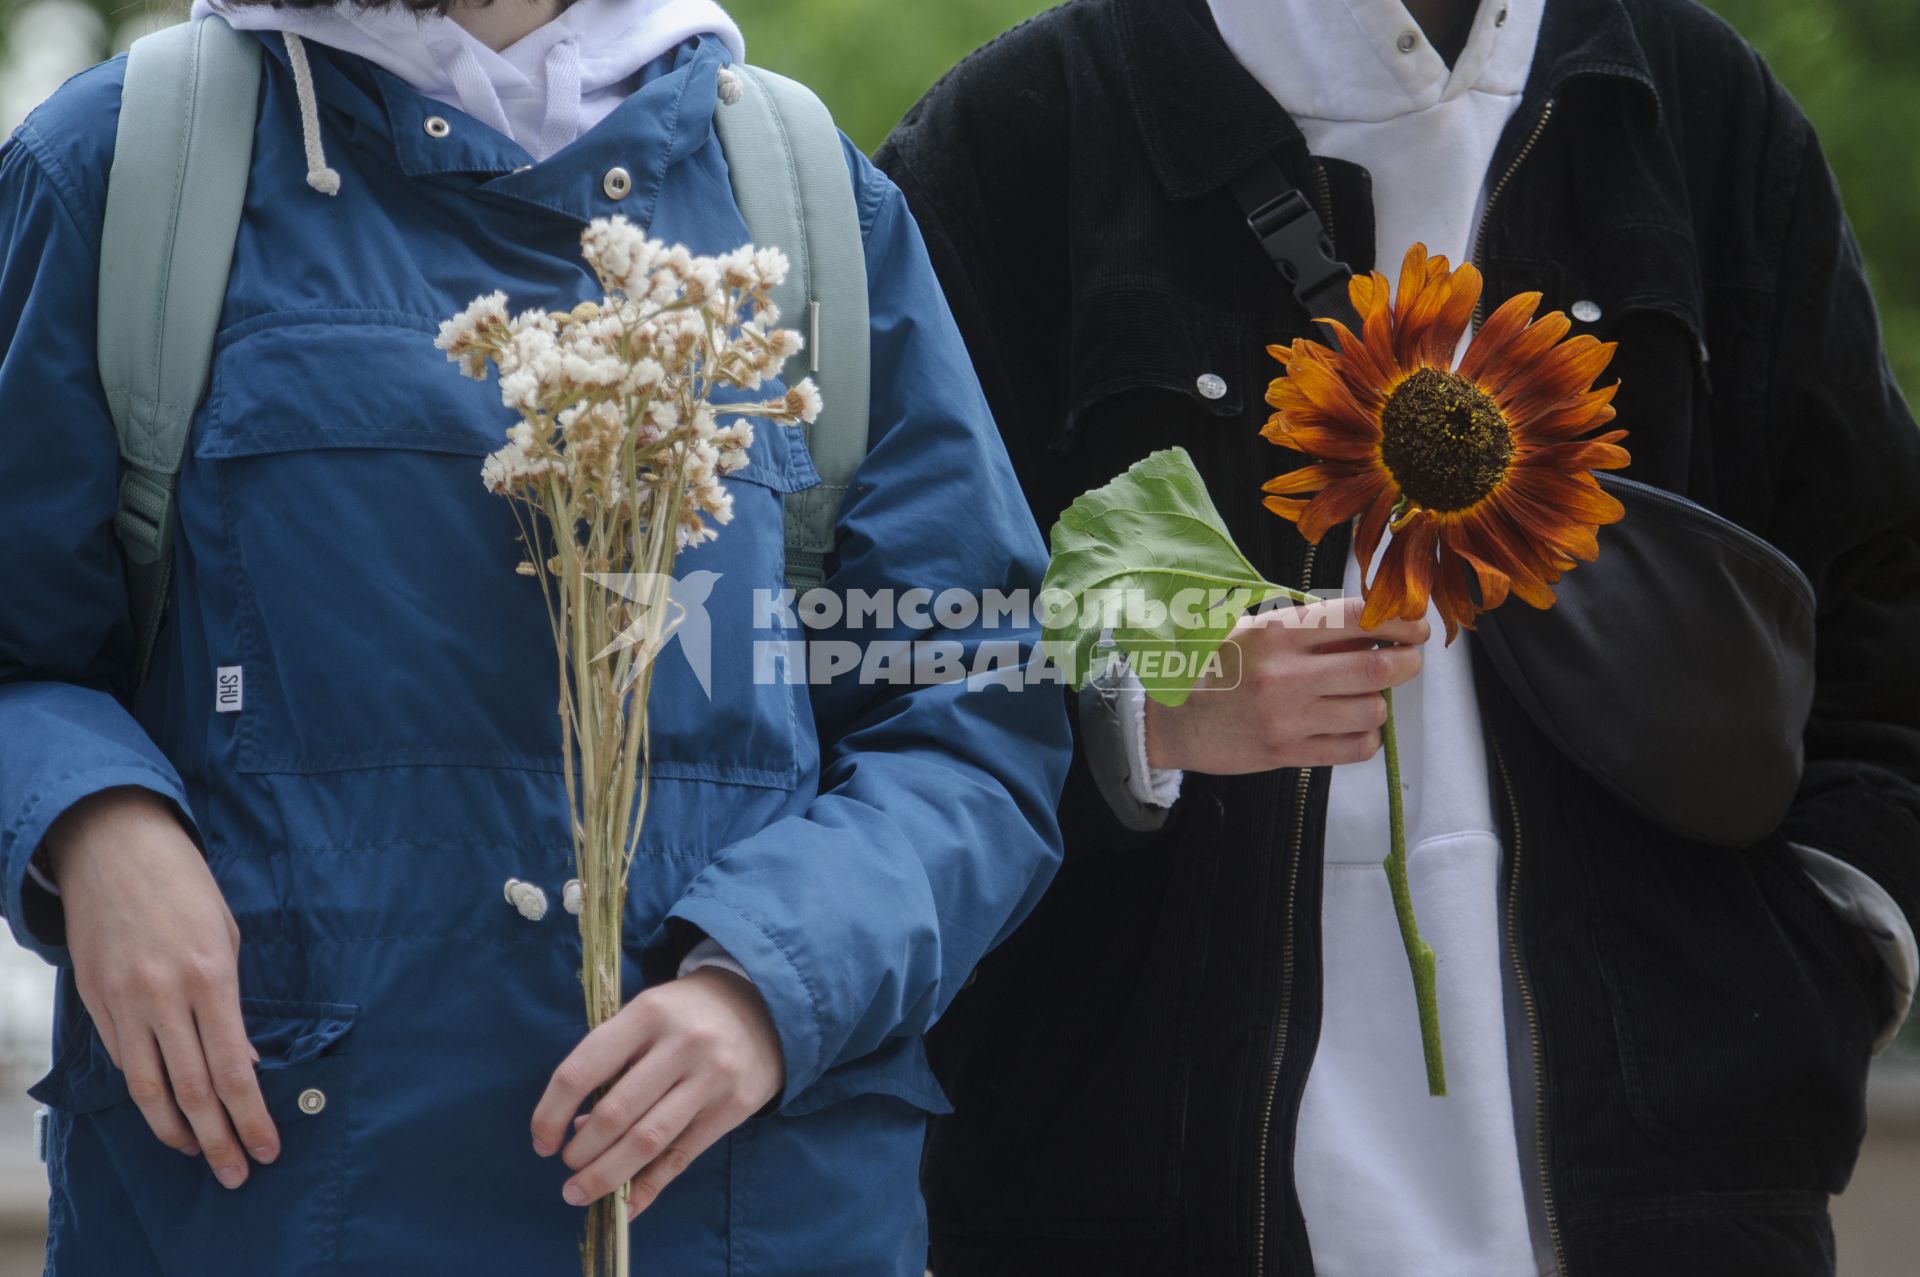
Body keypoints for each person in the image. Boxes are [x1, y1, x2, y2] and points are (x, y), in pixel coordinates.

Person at [0, 0, 1069, 1271]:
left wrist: (773, 980)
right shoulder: (129, 166)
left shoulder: (800, 199)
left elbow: (962, 698)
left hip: (739, 1215)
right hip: (259, 1208)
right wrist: (92, 819)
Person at [877, 0, 1920, 1272]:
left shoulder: (1695, 108)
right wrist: (1135, 720)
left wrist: (1838, 943)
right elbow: (869, 644)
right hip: (1129, 1187)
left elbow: (1880, 581)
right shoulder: (1018, 136)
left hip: (1677, 1192)